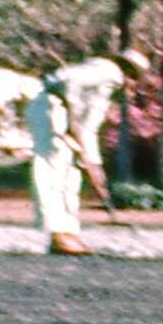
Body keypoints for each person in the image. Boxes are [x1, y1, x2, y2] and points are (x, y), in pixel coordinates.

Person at [28, 48, 153, 257]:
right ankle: (57, 233)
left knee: (72, 174)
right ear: (129, 72)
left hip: (61, 113)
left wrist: (94, 166)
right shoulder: (109, 72)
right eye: (135, 78)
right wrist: (70, 119)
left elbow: (89, 130)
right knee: (52, 169)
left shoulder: (106, 87)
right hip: (51, 109)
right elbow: (68, 84)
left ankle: (68, 231)